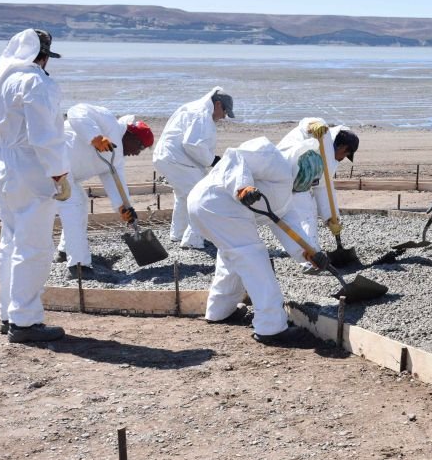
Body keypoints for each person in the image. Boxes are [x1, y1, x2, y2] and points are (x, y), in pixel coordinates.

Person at [0, 29, 70, 343]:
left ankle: (9, 313)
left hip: (1, 165)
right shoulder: (35, 81)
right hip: (30, 167)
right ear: (40, 56)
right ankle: (25, 321)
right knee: (35, 245)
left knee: (11, 240)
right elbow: (46, 135)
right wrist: (59, 173)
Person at [187, 137, 328, 344]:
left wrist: (309, 254)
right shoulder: (271, 156)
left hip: (211, 210)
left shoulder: (286, 195)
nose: (302, 187)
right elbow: (235, 156)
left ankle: (219, 310)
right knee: (254, 259)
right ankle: (271, 328)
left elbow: (290, 226)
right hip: (216, 204)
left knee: (232, 256)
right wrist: (243, 187)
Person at [55, 104, 155, 277]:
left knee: (80, 203)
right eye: (139, 147)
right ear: (131, 135)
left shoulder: (115, 159)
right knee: (75, 205)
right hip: (55, 162)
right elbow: (76, 111)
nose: (137, 153)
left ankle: (65, 251)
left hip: (66, 173)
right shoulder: (108, 122)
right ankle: (79, 267)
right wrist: (94, 136)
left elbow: (116, 183)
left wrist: (124, 207)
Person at [152, 87, 233, 248]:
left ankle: (178, 233)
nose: (224, 117)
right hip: (175, 159)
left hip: (171, 158)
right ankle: (192, 240)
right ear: (217, 104)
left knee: (184, 196)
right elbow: (192, 144)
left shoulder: (197, 110)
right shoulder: (201, 114)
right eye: (225, 112)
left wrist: (210, 159)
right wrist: (213, 160)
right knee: (201, 196)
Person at [277, 118, 359, 268]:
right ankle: (310, 259)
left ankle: (305, 253)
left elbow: (323, 187)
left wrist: (331, 218)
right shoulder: (322, 134)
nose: (342, 159)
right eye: (345, 154)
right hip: (286, 169)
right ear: (342, 146)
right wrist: (312, 125)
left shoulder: (329, 159)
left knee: (302, 215)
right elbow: (308, 123)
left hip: (298, 181)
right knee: (307, 216)